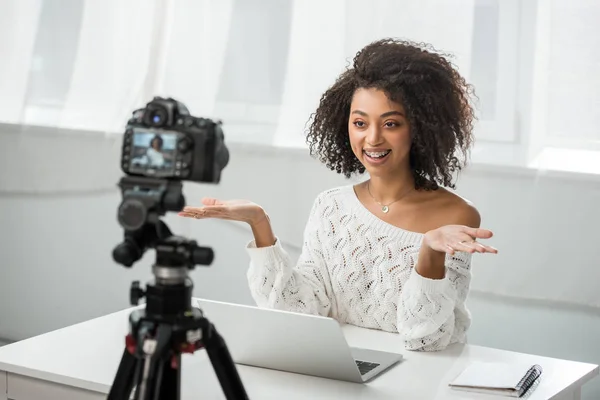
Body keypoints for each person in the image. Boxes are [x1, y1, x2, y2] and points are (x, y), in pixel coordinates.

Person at [178, 38, 498, 352]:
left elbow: (425, 338)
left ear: (421, 128)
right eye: (360, 122)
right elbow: (302, 311)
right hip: (342, 371)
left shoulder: (456, 217)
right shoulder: (331, 207)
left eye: (391, 123)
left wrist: (429, 252)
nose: (372, 138)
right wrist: (260, 225)